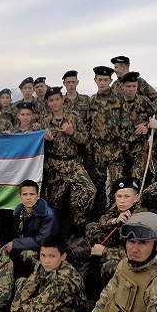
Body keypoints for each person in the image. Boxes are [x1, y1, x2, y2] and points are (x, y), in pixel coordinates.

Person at [49, 212, 157, 312]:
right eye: (131, 241)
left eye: (143, 243)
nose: (134, 249)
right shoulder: (124, 265)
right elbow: (105, 299)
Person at [42, 87, 97, 238]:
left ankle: (78, 224)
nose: (55, 103)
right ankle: (55, 234)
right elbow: (39, 147)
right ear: (47, 103)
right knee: (54, 203)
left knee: (90, 190)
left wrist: (72, 132)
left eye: (57, 99)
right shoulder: (44, 122)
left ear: (62, 99)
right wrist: (45, 141)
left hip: (73, 164)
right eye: (51, 100)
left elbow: (85, 139)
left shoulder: (73, 117)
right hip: (55, 165)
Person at [7, 235, 84, 312]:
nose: (46, 261)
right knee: (21, 282)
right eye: (43, 255)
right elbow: (28, 287)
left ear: (63, 256)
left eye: (52, 256)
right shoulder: (42, 264)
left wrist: (20, 309)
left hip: (73, 310)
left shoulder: (65, 279)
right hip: (48, 298)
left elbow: (39, 305)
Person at [83, 176, 140, 293]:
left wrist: (105, 251)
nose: (122, 200)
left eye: (127, 196)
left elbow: (135, 255)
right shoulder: (118, 208)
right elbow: (102, 221)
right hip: (117, 246)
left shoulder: (140, 218)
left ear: (136, 198)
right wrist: (115, 220)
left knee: (111, 266)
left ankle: (108, 293)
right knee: (92, 227)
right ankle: (94, 266)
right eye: (119, 196)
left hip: (133, 259)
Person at [86, 66, 124, 212]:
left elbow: (125, 123)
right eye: (99, 79)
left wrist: (121, 145)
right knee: (98, 184)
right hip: (97, 150)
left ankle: (117, 213)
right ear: (95, 80)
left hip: (115, 148)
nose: (102, 83)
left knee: (117, 184)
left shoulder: (119, 100)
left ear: (110, 80)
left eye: (105, 80)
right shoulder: (92, 101)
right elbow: (88, 124)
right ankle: (100, 215)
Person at [5, 179, 59, 276]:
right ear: (20, 197)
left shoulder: (48, 215)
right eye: (25, 194)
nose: (28, 198)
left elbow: (43, 240)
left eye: (32, 194)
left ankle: (32, 278)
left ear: (38, 196)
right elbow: (12, 234)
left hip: (43, 250)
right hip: (22, 245)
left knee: (27, 255)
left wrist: (15, 244)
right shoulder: (18, 212)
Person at [118, 72, 155, 180]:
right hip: (121, 150)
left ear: (137, 86)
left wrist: (146, 126)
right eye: (128, 86)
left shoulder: (144, 101)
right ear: (122, 86)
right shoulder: (115, 103)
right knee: (121, 181)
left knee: (137, 179)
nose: (131, 89)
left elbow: (155, 117)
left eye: (133, 86)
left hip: (139, 149)